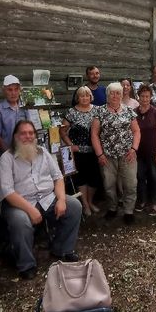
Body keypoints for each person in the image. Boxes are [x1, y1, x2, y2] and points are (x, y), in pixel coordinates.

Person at [0, 120, 82, 279]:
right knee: (20, 221)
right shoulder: (6, 158)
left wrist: (62, 199)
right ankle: (26, 264)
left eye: (31, 133)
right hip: (19, 203)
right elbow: (7, 192)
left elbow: (57, 178)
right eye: (23, 133)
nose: (27, 136)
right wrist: (30, 210)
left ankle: (61, 249)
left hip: (46, 198)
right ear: (15, 136)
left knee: (74, 206)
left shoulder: (43, 152)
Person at [91, 82, 140, 225]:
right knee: (109, 185)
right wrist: (100, 154)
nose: (115, 95)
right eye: (112, 93)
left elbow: (136, 131)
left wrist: (134, 149)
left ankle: (129, 211)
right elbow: (94, 134)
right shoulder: (99, 111)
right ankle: (112, 208)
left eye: (118, 93)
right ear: (107, 95)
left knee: (130, 184)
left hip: (128, 155)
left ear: (122, 94)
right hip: (107, 156)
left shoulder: (129, 111)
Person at [60, 86, 103, 217]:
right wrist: (70, 145)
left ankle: (90, 202)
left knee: (94, 178)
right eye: (81, 96)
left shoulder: (97, 110)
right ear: (77, 98)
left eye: (87, 95)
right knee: (81, 179)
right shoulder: (71, 112)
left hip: (95, 150)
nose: (84, 98)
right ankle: (85, 205)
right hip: (78, 152)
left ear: (91, 97)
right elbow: (62, 131)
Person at [134, 84, 156, 215]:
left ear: (150, 97)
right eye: (142, 96)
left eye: (147, 96)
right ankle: (142, 201)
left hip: (153, 151)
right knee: (140, 176)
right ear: (138, 97)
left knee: (154, 177)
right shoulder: (134, 112)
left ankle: (155, 204)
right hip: (139, 152)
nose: (145, 99)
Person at [0, 75, 28, 162]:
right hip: (5, 156)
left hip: (23, 155)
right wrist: (9, 154)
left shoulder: (24, 108)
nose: (13, 93)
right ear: (4, 91)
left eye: (16, 89)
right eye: (10, 90)